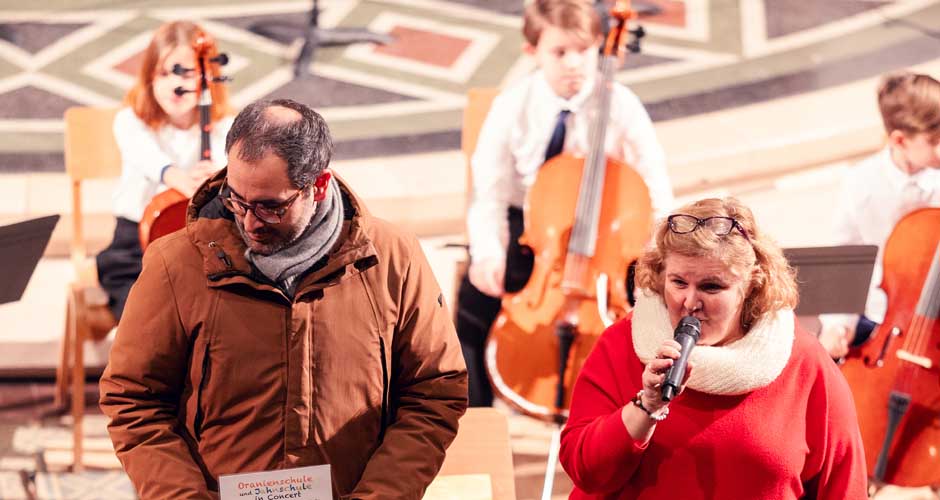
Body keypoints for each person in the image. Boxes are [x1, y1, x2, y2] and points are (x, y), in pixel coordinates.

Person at [99, 99, 468, 499]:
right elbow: (133, 399)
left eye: (270, 207)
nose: (249, 221)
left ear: (319, 185)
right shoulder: (175, 264)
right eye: (236, 199)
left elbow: (435, 389)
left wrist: (382, 495)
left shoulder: (394, 257)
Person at [559, 197, 867, 499]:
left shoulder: (804, 363)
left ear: (751, 286)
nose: (690, 302)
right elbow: (583, 469)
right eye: (678, 283)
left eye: (711, 287)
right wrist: (646, 407)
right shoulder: (624, 342)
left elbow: (844, 489)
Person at [457, 0, 674, 407]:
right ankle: (477, 420)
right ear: (532, 53)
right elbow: (489, 190)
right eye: (559, 52)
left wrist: (655, 256)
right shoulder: (512, 106)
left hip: (608, 236)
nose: (574, 64)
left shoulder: (622, 106)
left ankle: (630, 409)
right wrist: (488, 254)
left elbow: (656, 186)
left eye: (584, 50)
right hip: (533, 228)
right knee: (472, 309)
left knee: (653, 310)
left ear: (599, 47)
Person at [95, 20, 233, 323]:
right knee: (147, 317)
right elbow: (153, 162)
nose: (175, 83)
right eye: (164, 72)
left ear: (207, 77)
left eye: (187, 72)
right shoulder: (131, 122)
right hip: (135, 247)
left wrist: (221, 176)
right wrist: (191, 183)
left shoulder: (223, 128)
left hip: (197, 248)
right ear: (148, 78)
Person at [819, 71, 940, 359]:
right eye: (934, 140)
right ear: (899, 141)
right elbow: (846, 260)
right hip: (886, 319)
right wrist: (838, 325)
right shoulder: (860, 183)